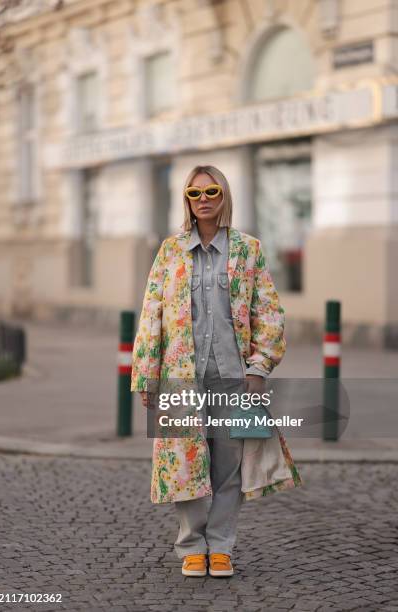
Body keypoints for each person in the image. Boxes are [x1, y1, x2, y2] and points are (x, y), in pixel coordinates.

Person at [131, 164, 302, 578]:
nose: (203, 200)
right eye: (195, 193)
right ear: (186, 200)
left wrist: (260, 367)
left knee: (229, 466)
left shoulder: (249, 250)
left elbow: (269, 313)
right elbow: (151, 313)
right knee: (183, 463)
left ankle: (221, 546)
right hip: (178, 375)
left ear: (224, 197)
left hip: (233, 377)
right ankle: (191, 545)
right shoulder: (170, 251)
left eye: (211, 192)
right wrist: (146, 374)